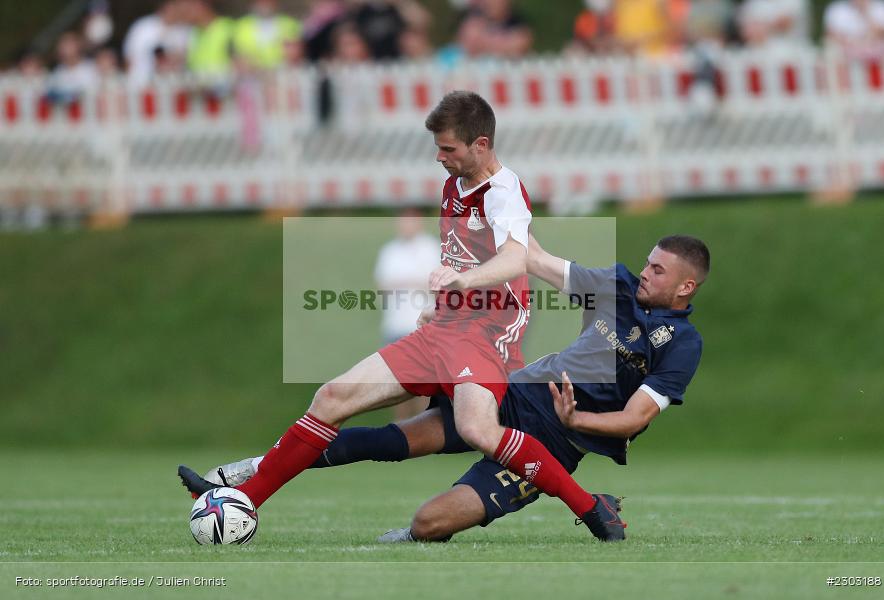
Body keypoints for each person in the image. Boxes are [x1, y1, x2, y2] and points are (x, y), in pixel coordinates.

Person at [183, 91, 630, 539]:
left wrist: (463, 284)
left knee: (476, 429)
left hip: (483, 334)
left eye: (448, 148)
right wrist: (443, 300)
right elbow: (464, 254)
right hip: (444, 329)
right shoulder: (455, 184)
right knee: (332, 397)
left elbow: (516, 260)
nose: (439, 157)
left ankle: (592, 509)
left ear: (481, 144)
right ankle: (245, 500)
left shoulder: (503, 192)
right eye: (437, 147)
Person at [200, 234, 709, 542]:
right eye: (647, 262)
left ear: (686, 286)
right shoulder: (617, 285)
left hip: (557, 443)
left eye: (657, 269)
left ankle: (582, 498)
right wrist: (502, 208)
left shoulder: (682, 344)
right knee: (383, 440)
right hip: (514, 395)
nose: (644, 272)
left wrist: (578, 420)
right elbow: (532, 257)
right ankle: (242, 487)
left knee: (428, 524)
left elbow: (637, 418)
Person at [373, 209, 442, 419]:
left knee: (423, 384)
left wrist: (407, 282)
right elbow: (382, 284)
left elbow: (437, 284)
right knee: (395, 383)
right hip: (395, 325)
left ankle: (423, 428)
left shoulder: (431, 248)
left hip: (422, 326)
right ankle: (400, 429)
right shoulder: (389, 251)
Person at [122, 0, 192, 90]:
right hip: (141, 88)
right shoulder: (143, 27)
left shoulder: (185, 31)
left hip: (173, 89)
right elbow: (128, 59)